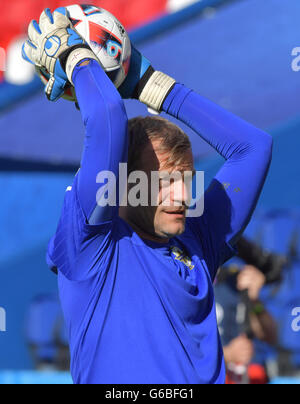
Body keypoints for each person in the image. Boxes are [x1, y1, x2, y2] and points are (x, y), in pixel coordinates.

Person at [22, 8, 273, 384]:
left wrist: (152, 84)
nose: (182, 196)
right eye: (162, 181)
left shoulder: (199, 239)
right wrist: (75, 56)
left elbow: (254, 147)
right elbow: (107, 114)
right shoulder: (92, 243)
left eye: (186, 180)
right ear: (121, 184)